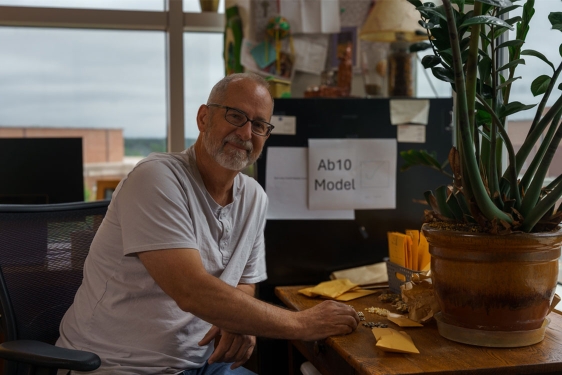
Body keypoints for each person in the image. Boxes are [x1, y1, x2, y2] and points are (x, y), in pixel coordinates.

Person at [56, 73, 359, 375]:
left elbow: (245, 282)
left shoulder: (254, 197)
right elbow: (191, 290)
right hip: (116, 365)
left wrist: (237, 319)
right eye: (236, 115)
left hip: (203, 364)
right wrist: (302, 324)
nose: (245, 133)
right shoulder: (156, 178)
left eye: (259, 125)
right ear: (204, 118)